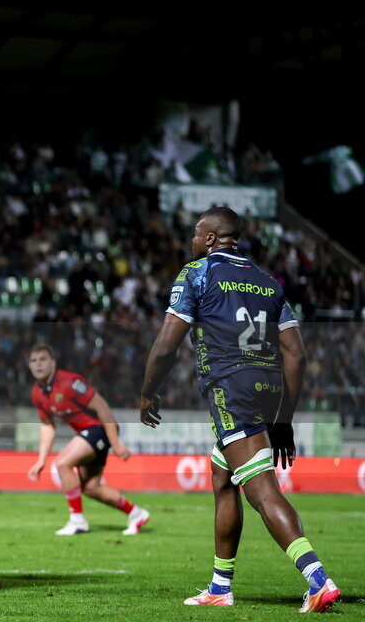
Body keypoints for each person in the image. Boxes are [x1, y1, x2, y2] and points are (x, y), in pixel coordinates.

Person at [138, 206, 340, 612]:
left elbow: (165, 346)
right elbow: (296, 356)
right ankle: (219, 586)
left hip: (231, 389)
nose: (192, 241)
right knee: (223, 476)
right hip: (267, 388)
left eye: (196, 235)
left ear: (210, 238)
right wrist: (283, 418)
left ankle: (319, 580)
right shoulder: (267, 281)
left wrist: (147, 393)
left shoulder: (196, 273)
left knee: (261, 490)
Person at [26, 344, 149, 536]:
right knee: (91, 488)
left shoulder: (69, 382)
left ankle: (77, 521)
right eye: (33, 361)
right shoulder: (37, 393)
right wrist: (41, 460)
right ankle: (136, 513)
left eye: (43, 359)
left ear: (53, 363)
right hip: (87, 433)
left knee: (63, 463)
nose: (38, 364)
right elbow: (48, 426)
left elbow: (102, 407)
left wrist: (115, 442)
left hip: (100, 428)